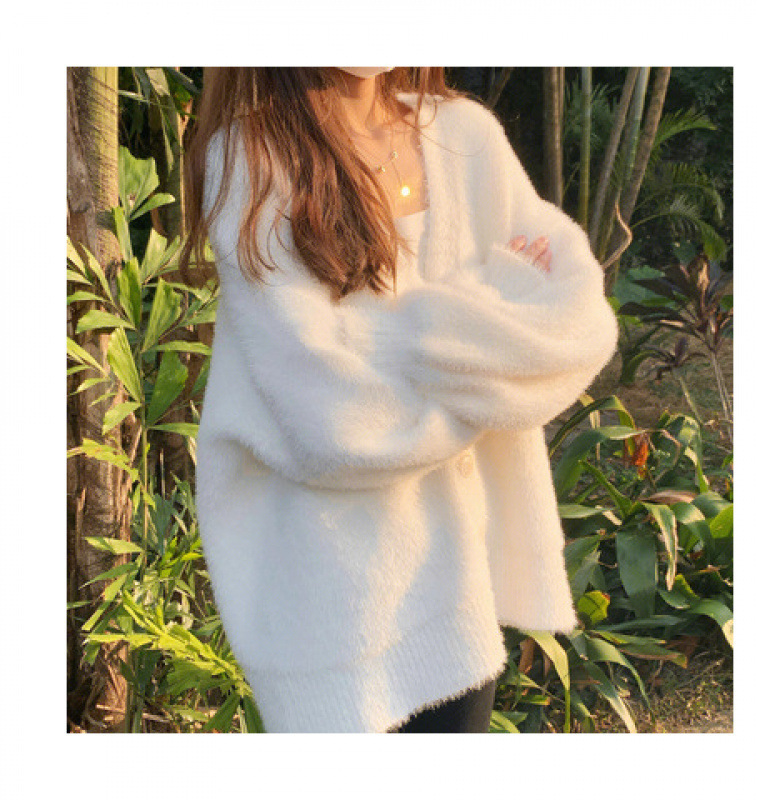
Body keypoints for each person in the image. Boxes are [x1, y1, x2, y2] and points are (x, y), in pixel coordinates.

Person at [178, 67, 618, 733]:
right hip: (336, 602)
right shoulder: (252, 160)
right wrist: (497, 318)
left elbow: (576, 326)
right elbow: (330, 421)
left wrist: (391, 348)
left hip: (461, 585)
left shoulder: (466, 137)